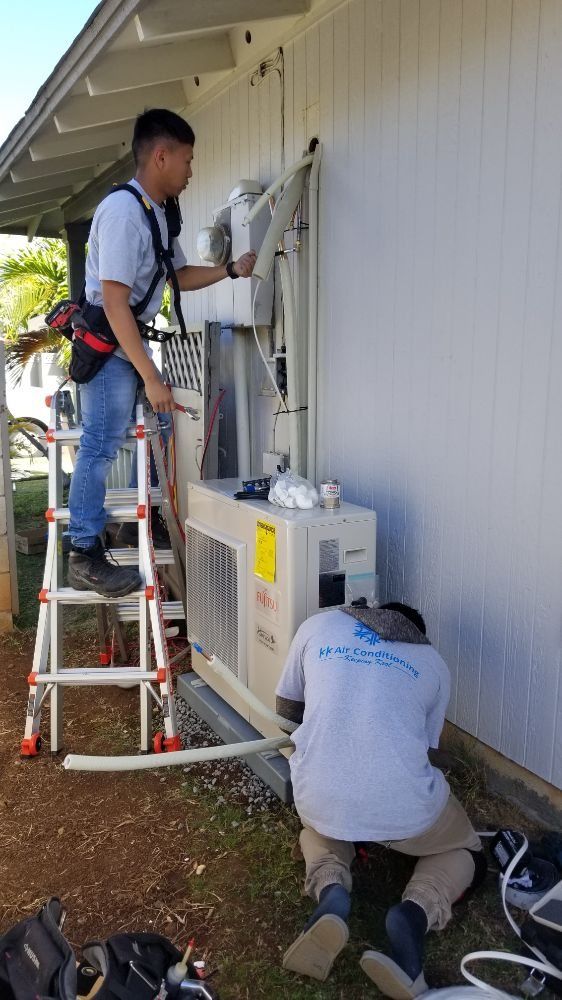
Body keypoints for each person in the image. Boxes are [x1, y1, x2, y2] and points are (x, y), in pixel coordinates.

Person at [67, 108, 256, 597]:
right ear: (161, 155)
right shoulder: (124, 214)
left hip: (126, 341)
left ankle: (138, 521)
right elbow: (113, 302)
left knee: (165, 424)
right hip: (110, 344)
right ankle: (83, 551)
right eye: (188, 161)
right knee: (101, 441)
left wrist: (231, 270)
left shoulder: (157, 213)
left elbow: (179, 277)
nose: (191, 171)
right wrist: (150, 375)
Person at [276, 601, 486, 997]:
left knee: (321, 825)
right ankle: (414, 912)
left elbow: (287, 715)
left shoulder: (318, 627)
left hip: (320, 796)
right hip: (405, 811)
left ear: (369, 611)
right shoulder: (433, 663)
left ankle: (331, 886)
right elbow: (422, 749)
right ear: (417, 634)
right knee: (467, 851)